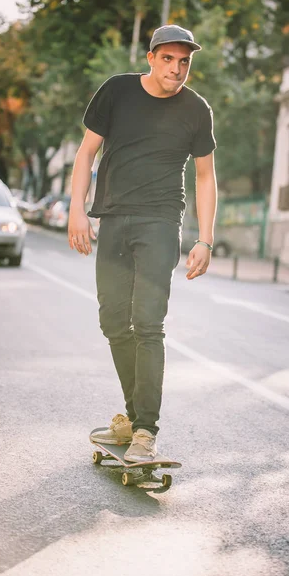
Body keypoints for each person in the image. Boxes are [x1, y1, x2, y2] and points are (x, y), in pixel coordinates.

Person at [68, 24, 217, 462]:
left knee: (148, 323)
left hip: (160, 221)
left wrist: (205, 239)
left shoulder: (197, 109)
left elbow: (206, 176)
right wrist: (78, 209)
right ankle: (134, 421)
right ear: (150, 58)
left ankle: (146, 431)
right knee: (113, 321)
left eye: (185, 61)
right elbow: (86, 153)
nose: (177, 69)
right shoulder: (117, 91)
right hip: (113, 217)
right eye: (168, 59)